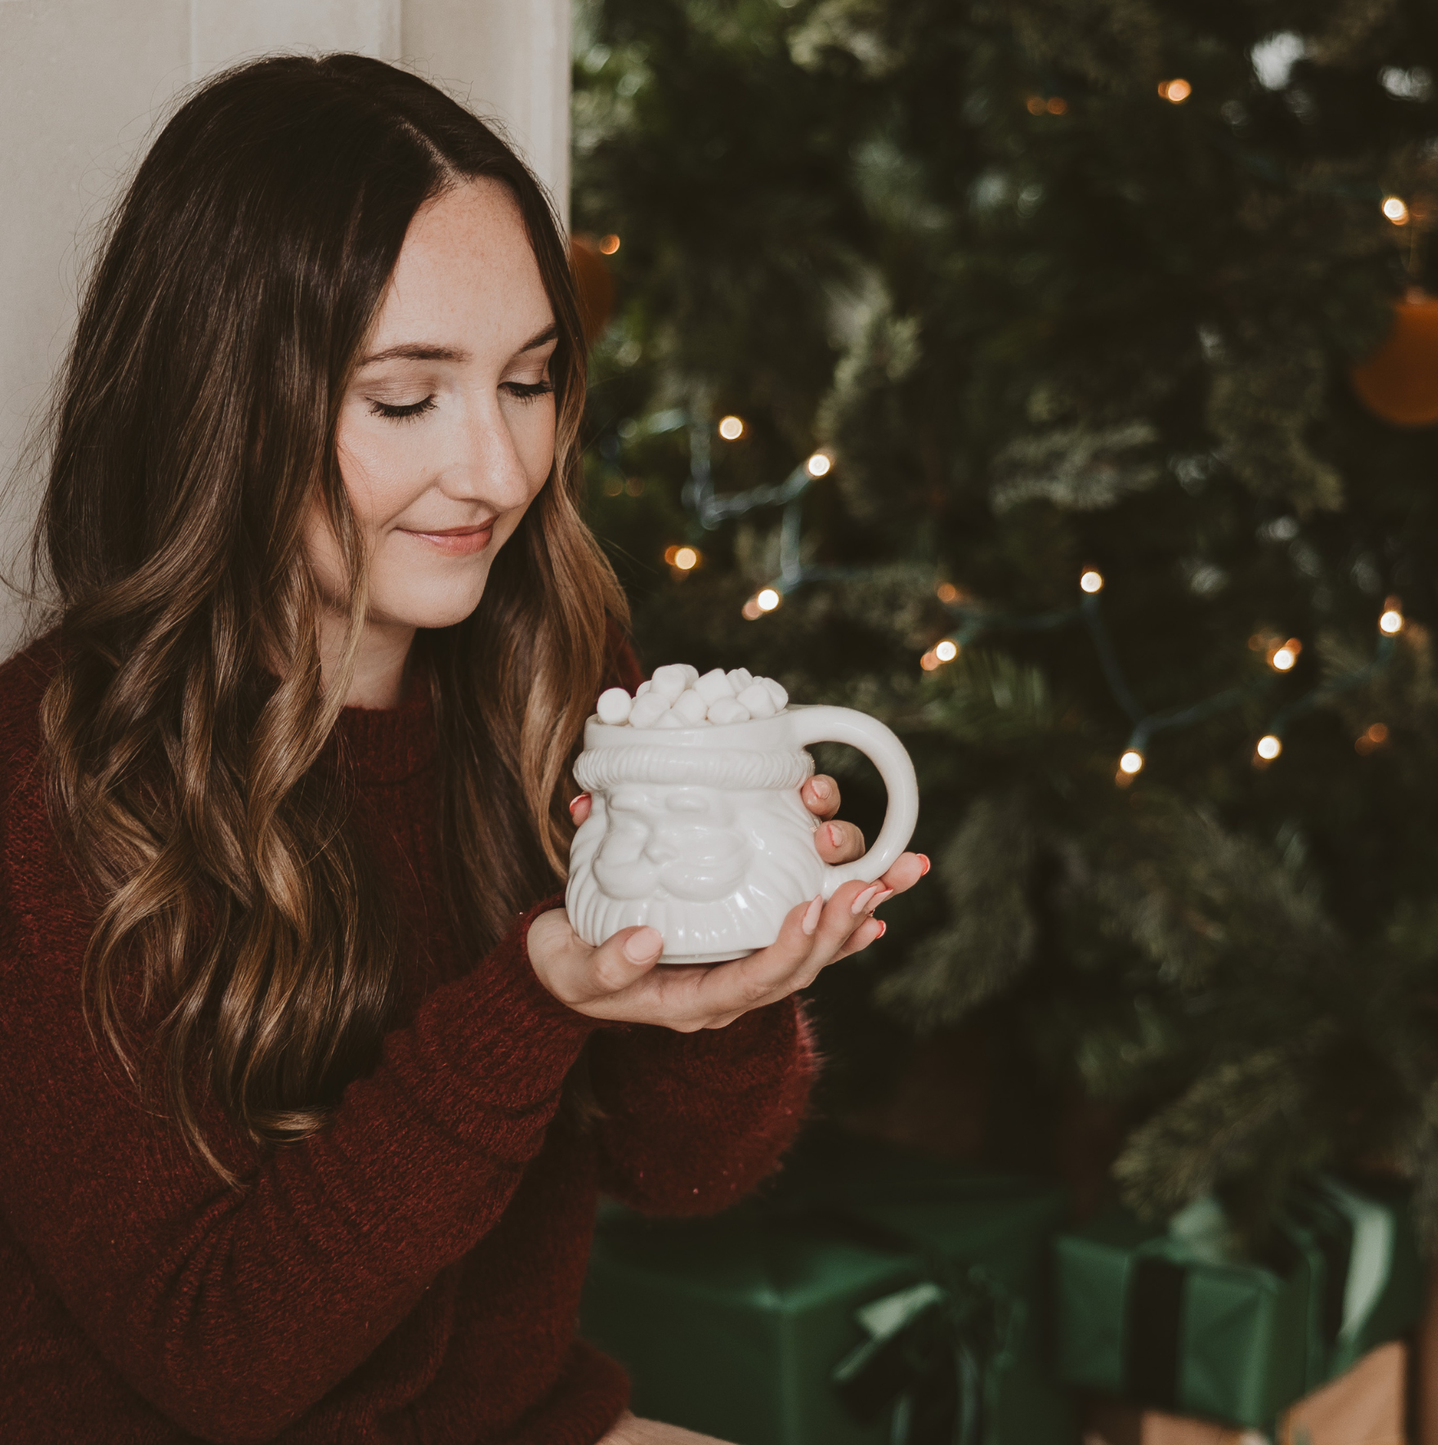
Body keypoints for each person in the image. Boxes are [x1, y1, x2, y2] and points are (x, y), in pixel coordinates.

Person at [0, 53, 925, 1445]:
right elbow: (219, 1357)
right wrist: (533, 1003)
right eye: (405, 397)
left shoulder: (551, 679)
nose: (499, 472)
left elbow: (688, 1175)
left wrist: (719, 990)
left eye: (531, 380)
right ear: (221, 398)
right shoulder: (48, 780)